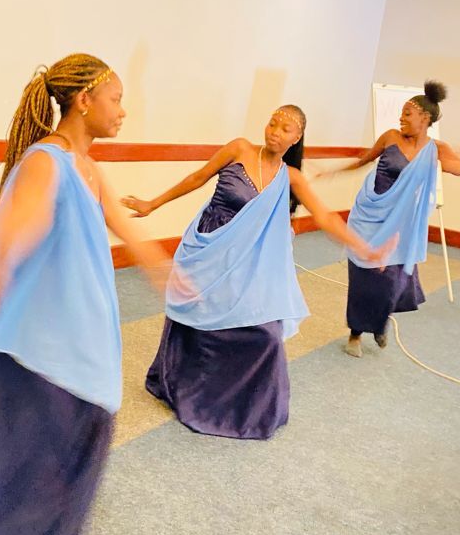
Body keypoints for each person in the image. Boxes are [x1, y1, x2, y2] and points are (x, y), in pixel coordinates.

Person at [0, 53, 173, 535]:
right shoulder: (46, 160)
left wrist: (162, 268)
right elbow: (27, 218)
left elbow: (124, 226)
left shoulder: (87, 166)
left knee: (81, 425)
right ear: (84, 101)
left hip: (72, 326)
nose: (123, 111)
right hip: (26, 336)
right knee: (37, 435)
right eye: (117, 99)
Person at [121, 105, 393, 439]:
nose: (275, 131)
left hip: (250, 258)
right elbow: (196, 178)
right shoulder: (239, 149)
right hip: (211, 246)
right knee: (195, 312)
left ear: (296, 138)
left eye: (286, 128)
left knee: (264, 332)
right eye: (272, 123)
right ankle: (183, 386)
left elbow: (325, 217)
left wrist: (365, 248)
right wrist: (153, 204)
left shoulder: (290, 177)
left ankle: (240, 405)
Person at [323, 80, 460, 358]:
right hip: (370, 216)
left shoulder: (435, 148)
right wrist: (335, 171)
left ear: (424, 119)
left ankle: (380, 324)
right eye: (401, 113)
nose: (401, 118)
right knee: (363, 277)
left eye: (407, 114)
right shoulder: (390, 137)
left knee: (391, 280)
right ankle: (355, 333)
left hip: (401, 225)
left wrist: (448, 163)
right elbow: (365, 159)